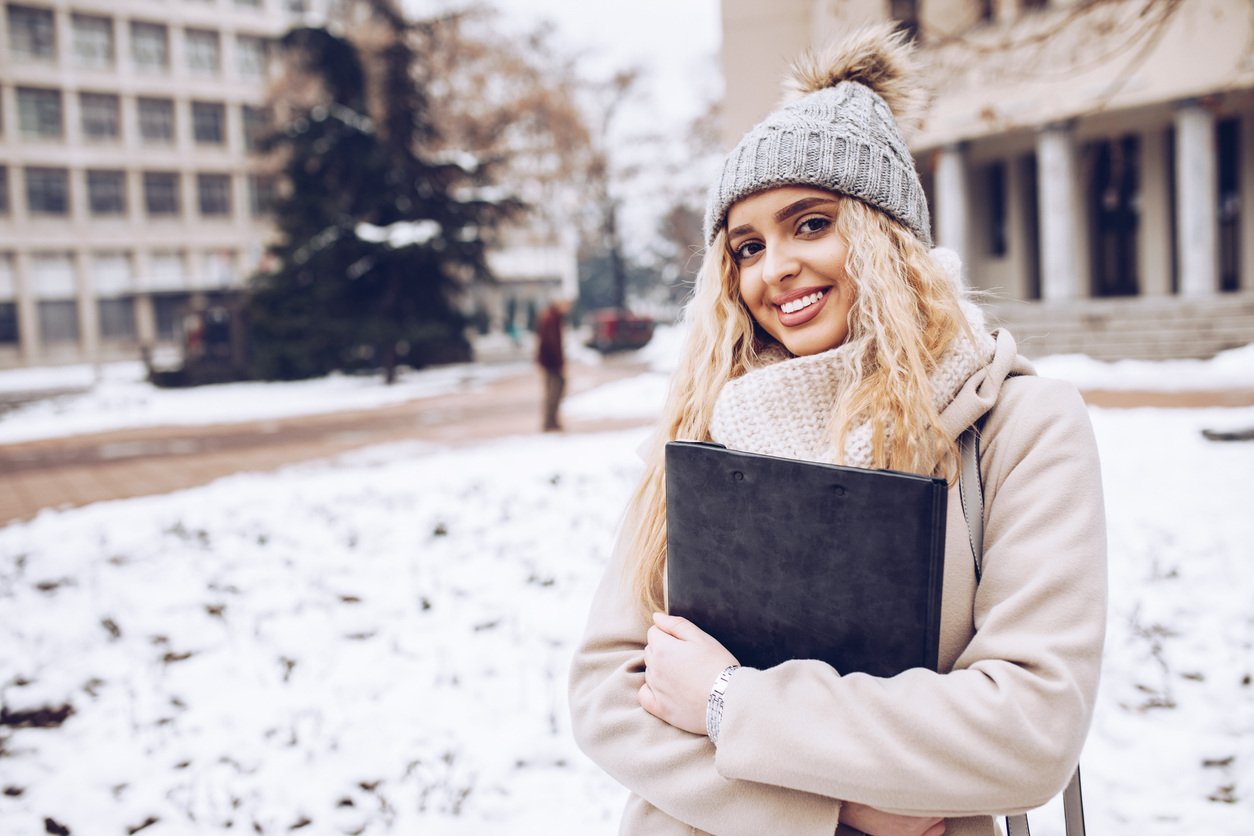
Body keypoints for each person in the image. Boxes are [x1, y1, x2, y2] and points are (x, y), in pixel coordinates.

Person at [568, 24, 1106, 836]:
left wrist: (727, 702)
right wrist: (844, 807)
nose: (772, 267)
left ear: (885, 236)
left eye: (811, 224)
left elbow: (1029, 729)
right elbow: (610, 691)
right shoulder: (701, 430)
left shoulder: (1019, 428)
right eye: (746, 245)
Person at [536, 296, 572, 431]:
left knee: (553, 390)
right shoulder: (551, 318)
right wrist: (559, 362)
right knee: (554, 391)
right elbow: (552, 343)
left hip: (549, 360)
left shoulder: (552, 317)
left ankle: (551, 420)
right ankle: (549, 421)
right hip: (551, 361)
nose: (568, 310)